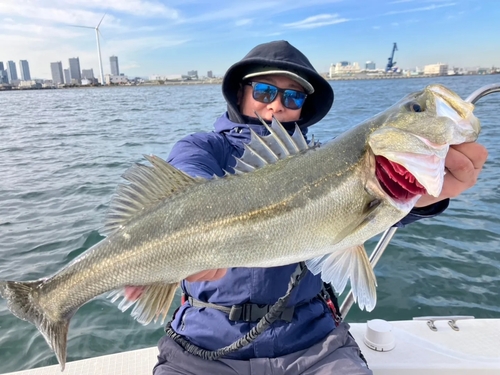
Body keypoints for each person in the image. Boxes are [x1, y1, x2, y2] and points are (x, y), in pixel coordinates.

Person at [127, 40, 488, 374]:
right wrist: (181, 243)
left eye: (293, 98)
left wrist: (422, 198)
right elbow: (184, 177)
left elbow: (361, 212)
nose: (277, 104)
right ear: (240, 93)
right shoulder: (203, 147)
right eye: (265, 91)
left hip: (314, 344)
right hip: (203, 345)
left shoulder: (324, 160)